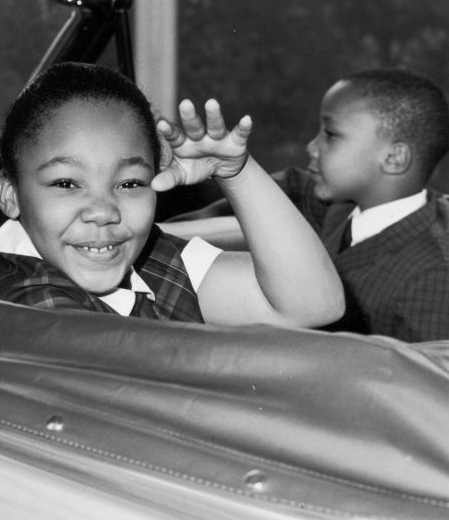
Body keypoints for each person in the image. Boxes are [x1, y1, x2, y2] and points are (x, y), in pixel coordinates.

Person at [0, 62, 344, 327]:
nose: (103, 211)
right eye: (66, 184)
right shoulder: (30, 311)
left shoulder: (150, 258)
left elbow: (314, 305)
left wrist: (237, 174)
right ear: (11, 194)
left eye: (129, 184)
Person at [169, 67, 449, 341]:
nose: (312, 147)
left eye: (330, 134)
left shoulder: (432, 276)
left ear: (393, 158)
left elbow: (428, 379)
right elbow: (285, 191)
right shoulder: (338, 207)